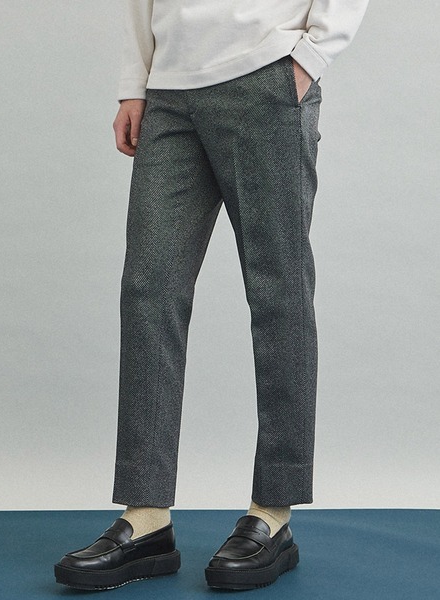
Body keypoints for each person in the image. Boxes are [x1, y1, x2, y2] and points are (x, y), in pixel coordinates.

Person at [55, 0, 369, 591]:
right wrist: (135, 83)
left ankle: (273, 512)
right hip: (169, 89)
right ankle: (146, 517)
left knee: (278, 291)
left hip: (265, 76)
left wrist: (310, 56)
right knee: (149, 290)